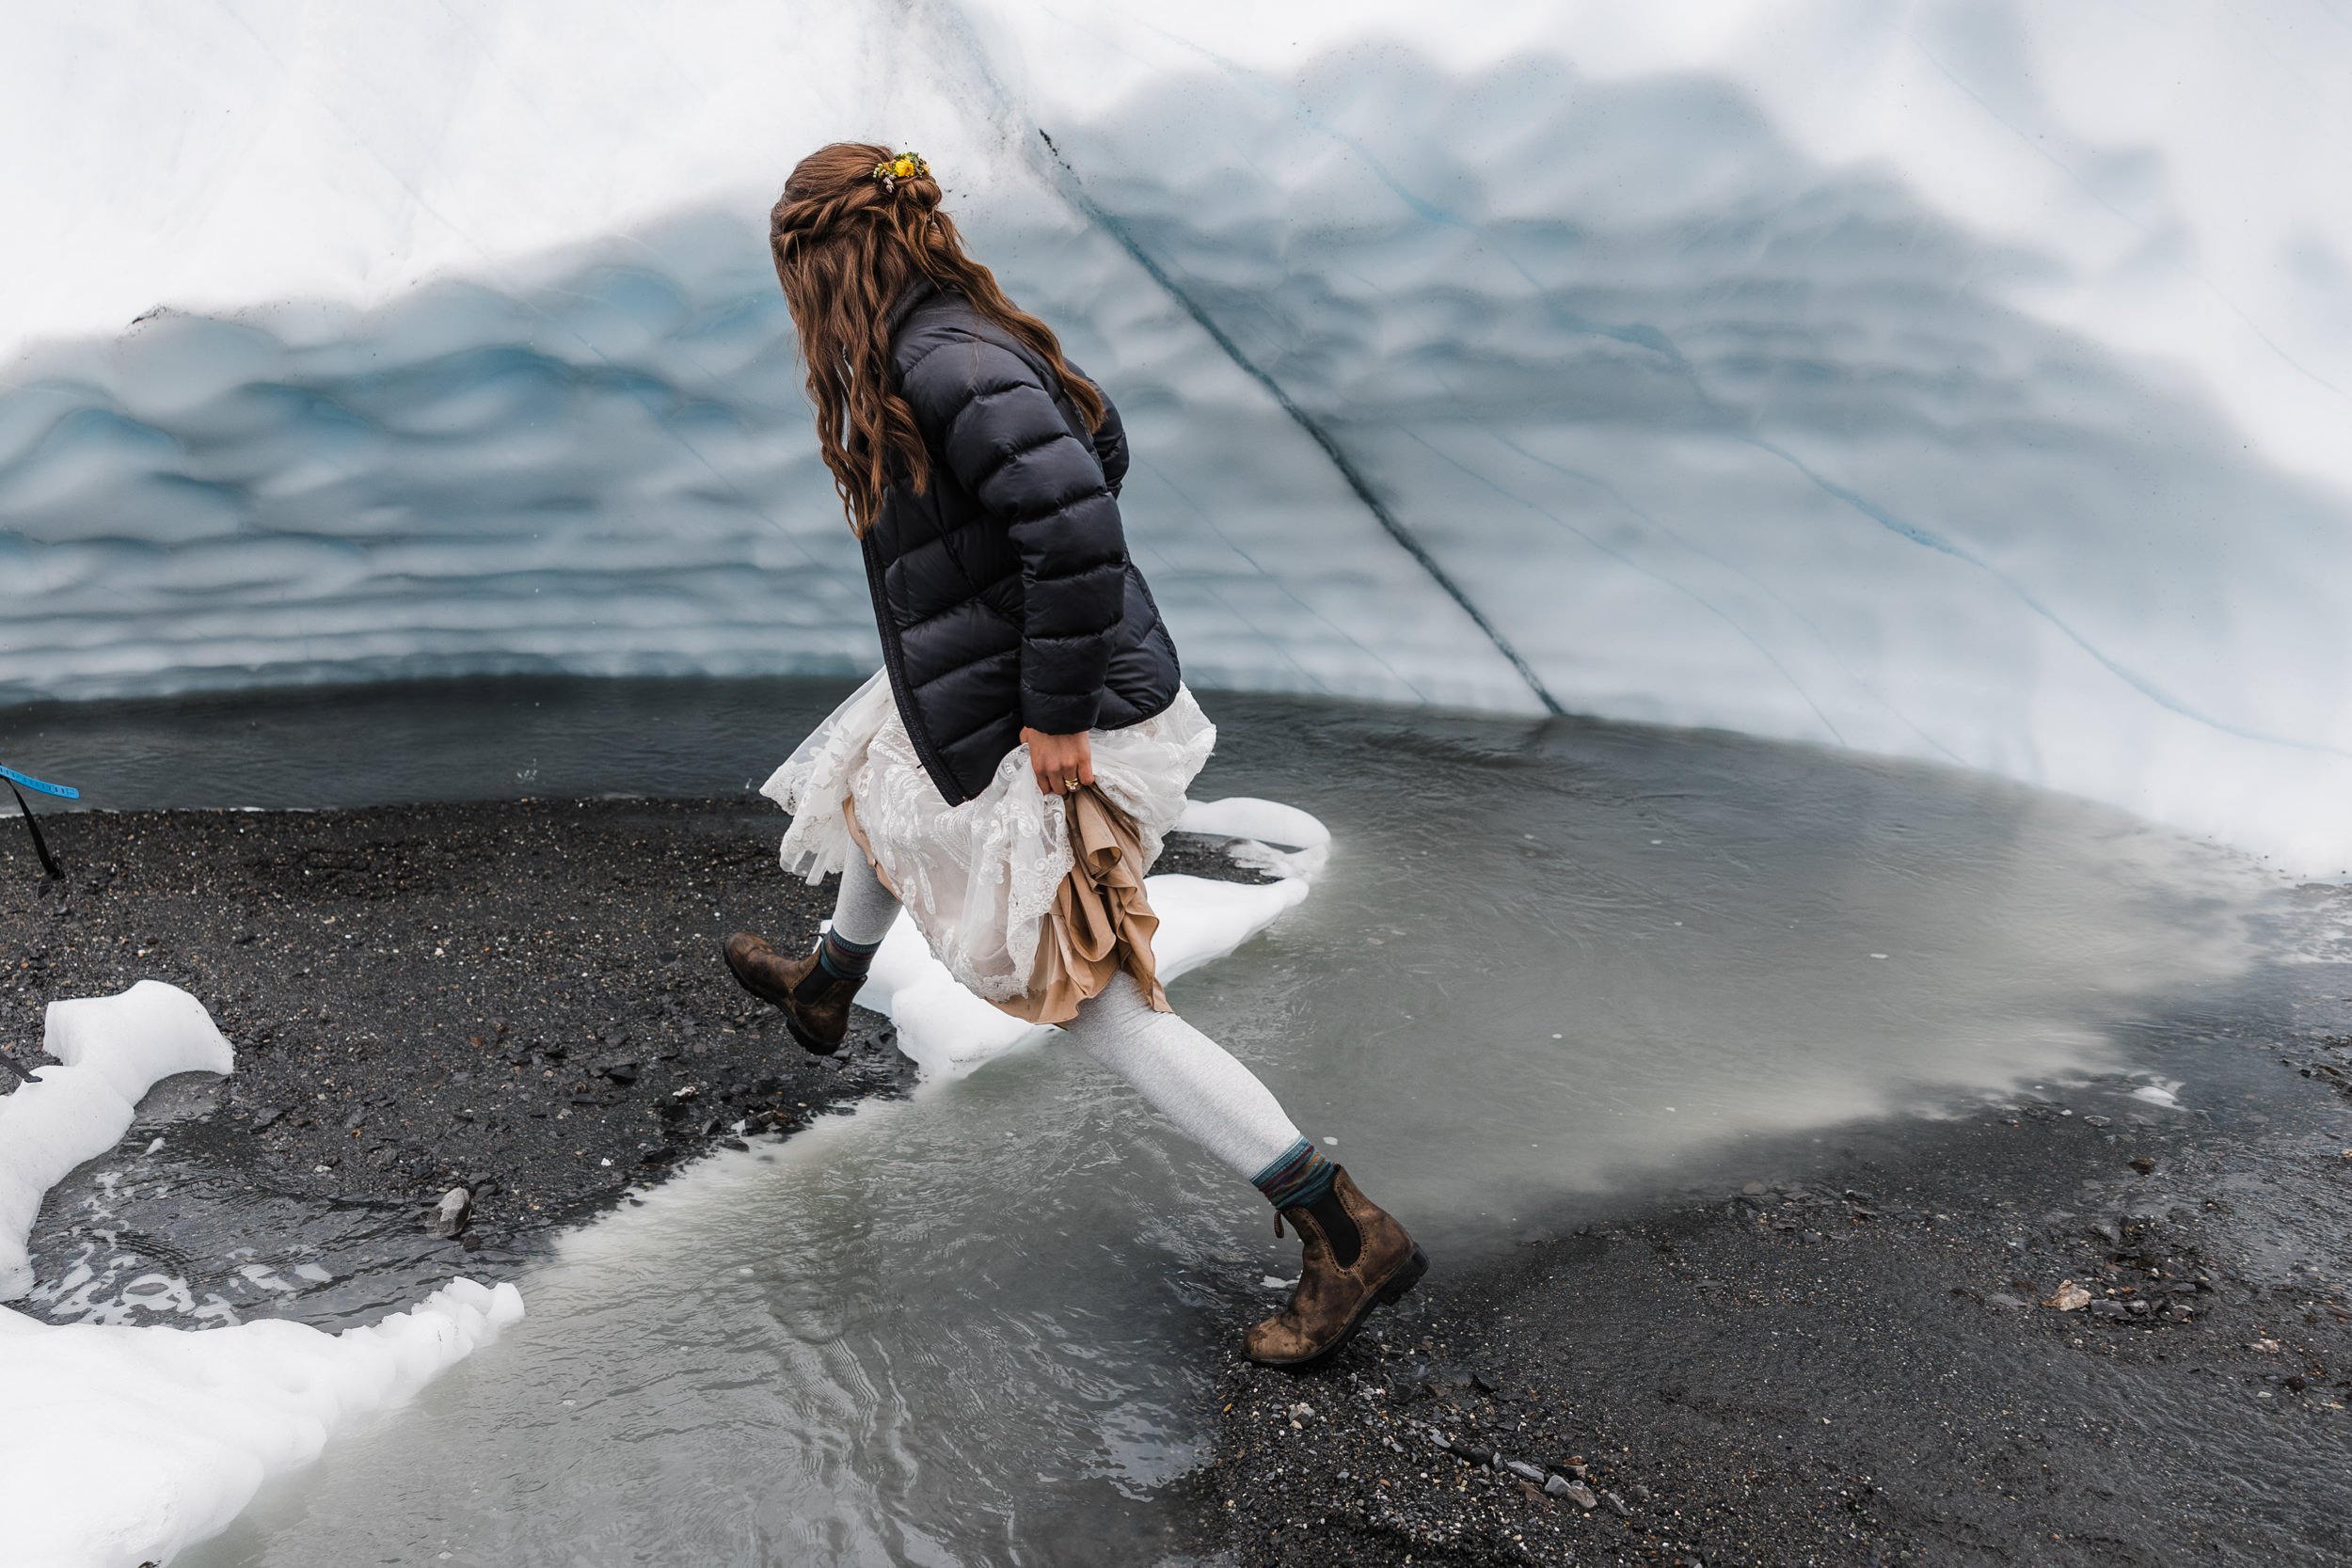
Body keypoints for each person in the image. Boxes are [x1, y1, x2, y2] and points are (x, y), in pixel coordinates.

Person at [723, 143, 1424, 1369]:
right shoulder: (949, 341)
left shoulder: (950, 361)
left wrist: (1050, 710)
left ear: (836, 263)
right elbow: (1092, 456)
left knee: (1096, 1005)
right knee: (877, 767)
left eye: (801, 277)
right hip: (1028, 683)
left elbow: (1078, 521)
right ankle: (830, 984)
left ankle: (1340, 1227)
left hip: (1084, 719)